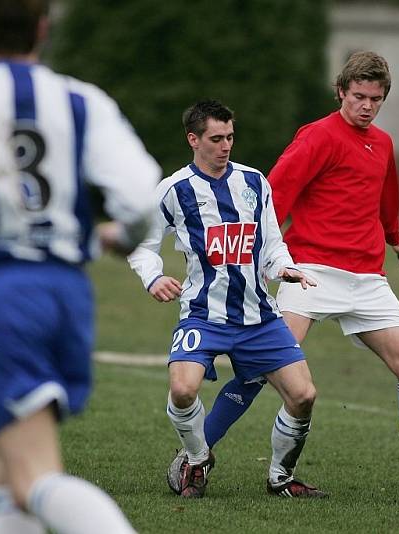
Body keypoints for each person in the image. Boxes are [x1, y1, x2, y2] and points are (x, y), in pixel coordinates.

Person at [0, 1, 161, 532]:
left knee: (31, 476)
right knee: (9, 478)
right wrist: (115, 235)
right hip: (69, 289)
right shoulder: (82, 100)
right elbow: (138, 197)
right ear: (44, 27)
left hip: (2, 288)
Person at [178, 51, 399, 500]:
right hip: (310, 270)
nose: (367, 106)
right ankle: (197, 456)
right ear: (341, 92)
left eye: (375, 98)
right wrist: (261, 255)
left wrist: (394, 237)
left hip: (367, 277)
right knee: (260, 366)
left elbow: (384, 195)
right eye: (358, 96)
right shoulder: (317, 136)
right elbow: (273, 196)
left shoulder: (383, 143)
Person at [127, 100, 327, 499]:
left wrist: (283, 268)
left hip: (259, 317)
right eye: (216, 139)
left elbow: (272, 244)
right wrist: (153, 278)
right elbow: (141, 244)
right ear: (193, 139)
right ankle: (197, 459)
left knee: (303, 395)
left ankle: (280, 479)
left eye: (230, 137)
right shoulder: (173, 190)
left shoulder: (254, 182)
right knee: (183, 390)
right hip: (203, 315)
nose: (225, 146)